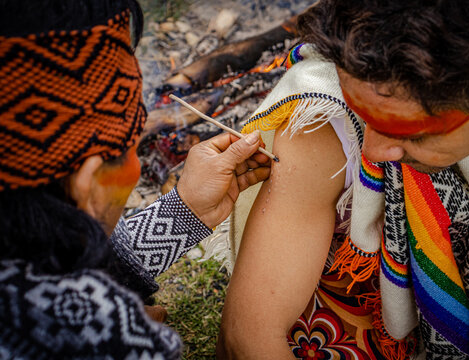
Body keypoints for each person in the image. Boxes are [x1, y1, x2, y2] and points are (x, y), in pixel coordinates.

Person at [218, 0, 469, 359]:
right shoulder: (329, 100)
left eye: (410, 134)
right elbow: (245, 336)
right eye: (361, 112)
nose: (370, 151)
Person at [0, 0, 270, 358]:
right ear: (89, 180)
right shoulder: (100, 340)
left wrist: (183, 211)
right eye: (130, 148)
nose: (137, 165)